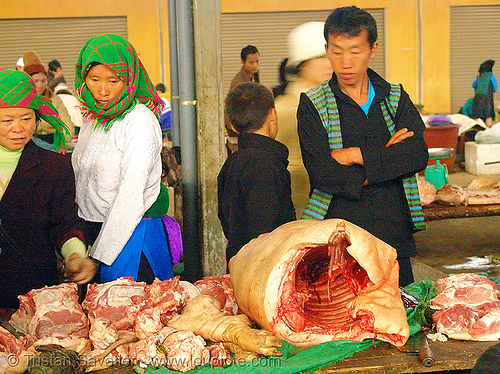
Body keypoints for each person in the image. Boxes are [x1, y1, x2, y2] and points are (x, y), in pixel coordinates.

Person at [297, 6, 428, 287]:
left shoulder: (394, 97)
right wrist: (387, 158)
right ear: (326, 49)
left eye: (355, 51)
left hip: (394, 234)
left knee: (402, 317)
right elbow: (322, 173)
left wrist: (355, 155)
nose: (345, 62)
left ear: (373, 49)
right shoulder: (313, 104)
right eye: (336, 51)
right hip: (341, 240)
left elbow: (416, 155)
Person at [72, 33, 173, 283]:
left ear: (129, 79)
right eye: (94, 79)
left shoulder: (139, 121)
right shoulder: (93, 118)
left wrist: (98, 256)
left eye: (114, 81)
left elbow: (131, 194)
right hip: (94, 234)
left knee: (133, 315)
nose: (102, 90)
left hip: (131, 237)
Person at [0, 69, 96, 308]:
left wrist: (75, 255)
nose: (18, 128)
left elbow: (66, 223)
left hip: (30, 292)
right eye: (7, 120)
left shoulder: (54, 167)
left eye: (26, 118)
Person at [218, 82, 296, 265]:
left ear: (232, 125)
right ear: (272, 114)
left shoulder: (232, 163)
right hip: (263, 271)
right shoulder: (265, 165)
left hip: (238, 265)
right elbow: (263, 234)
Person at [275, 22, 334, 218]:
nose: (329, 63)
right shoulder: (282, 109)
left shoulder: (337, 103)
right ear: (301, 65)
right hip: (298, 211)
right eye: (319, 58)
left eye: (330, 55)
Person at [23, 51, 75, 153]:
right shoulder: (23, 102)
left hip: (54, 143)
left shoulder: (54, 99)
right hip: (31, 143)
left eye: (43, 81)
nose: (40, 85)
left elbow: (67, 123)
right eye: (35, 81)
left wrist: (62, 142)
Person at [225, 45, 260, 154]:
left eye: (257, 61)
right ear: (242, 62)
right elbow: (229, 105)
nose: (255, 65)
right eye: (251, 62)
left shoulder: (254, 75)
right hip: (240, 126)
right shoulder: (238, 82)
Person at [471, 59, 497, 128]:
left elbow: (473, 85)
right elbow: (495, 87)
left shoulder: (479, 76)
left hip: (477, 98)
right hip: (487, 99)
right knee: (488, 114)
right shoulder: (490, 76)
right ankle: (489, 128)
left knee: (478, 115)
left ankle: (479, 128)